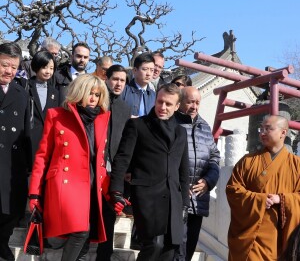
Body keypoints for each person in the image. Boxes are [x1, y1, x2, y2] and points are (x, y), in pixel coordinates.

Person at [28, 74, 110, 261]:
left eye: (97, 95)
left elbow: (100, 160)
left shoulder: (101, 119)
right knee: (81, 231)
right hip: (66, 184)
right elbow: (42, 156)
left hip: (91, 185)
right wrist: (34, 193)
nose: (93, 99)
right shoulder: (56, 115)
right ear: (78, 92)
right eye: (89, 93)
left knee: (88, 237)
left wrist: (109, 191)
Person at [110, 83, 190, 261]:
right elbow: (122, 158)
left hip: (173, 199)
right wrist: (116, 190)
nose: (163, 107)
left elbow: (184, 172)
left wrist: (184, 202)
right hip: (147, 195)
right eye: (160, 102)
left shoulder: (181, 133)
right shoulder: (138, 125)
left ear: (177, 107)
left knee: (170, 248)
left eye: (169, 104)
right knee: (154, 244)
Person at [226, 115, 300, 261]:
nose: (262, 132)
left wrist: (282, 199)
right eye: (261, 129)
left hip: (279, 237)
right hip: (250, 237)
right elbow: (233, 191)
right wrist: (259, 200)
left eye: (268, 129)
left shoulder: (297, 165)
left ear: (283, 133)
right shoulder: (247, 162)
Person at [174, 86, 220, 261]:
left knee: (189, 248)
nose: (194, 106)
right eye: (190, 102)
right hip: (177, 196)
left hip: (198, 198)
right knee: (175, 249)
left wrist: (209, 181)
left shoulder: (204, 126)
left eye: (197, 103)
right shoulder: (172, 122)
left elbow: (214, 156)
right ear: (180, 102)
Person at [96, 64, 131, 261]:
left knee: (109, 214)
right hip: (94, 165)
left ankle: (104, 255)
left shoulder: (125, 108)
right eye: (115, 79)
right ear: (106, 79)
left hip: (114, 169)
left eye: (122, 80)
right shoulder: (96, 101)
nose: (118, 84)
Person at [0, 42, 32, 261]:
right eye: (4, 65)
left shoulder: (21, 93)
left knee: (8, 218)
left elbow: (26, 132)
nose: (9, 71)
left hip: (12, 167)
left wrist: (29, 168)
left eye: (13, 67)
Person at [27, 51, 59, 162]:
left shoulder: (55, 93)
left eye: (51, 68)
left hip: (48, 142)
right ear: (36, 66)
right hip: (28, 140)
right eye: (45, 67)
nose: (48, 71)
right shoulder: (25, 87)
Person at [121, 52, 155, 116]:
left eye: (152, 70)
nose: (148, 74)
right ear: (135, 71)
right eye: (145, 69)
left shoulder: (154, 96)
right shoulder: (123, 91)